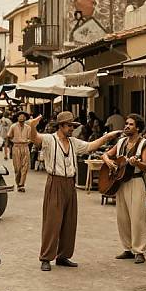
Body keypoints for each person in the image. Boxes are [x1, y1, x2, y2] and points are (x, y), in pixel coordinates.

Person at [30, 111, 121, 271]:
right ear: (61, 126)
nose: (72, 128)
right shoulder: (50, 140)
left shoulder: (73, 142)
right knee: (53, 221)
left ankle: (63, 256)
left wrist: (107, 137)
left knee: (69, 221)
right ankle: (46, 257)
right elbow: (35, 138)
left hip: (70, 183)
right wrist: (32, 127)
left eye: (73, 126)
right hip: (55, 182)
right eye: (69, 126)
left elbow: (90, 146)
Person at [102, 114, 146, 264]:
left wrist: (136, 163)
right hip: (120, 182)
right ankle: (127, 248)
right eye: (126, 124)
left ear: (137, 127)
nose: (126, 126)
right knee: (122, 217)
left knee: (137, 217)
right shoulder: (122, 141)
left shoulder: (144, 143)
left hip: (135, 182)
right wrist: (109, 162)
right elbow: (105, 154)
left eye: (130, 124)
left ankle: (140, 250)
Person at [7, 111, 31, 192]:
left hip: (25, 147)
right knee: (17, 167)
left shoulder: (28, 127)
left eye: (23, 116)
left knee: (25, 166)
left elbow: (30, 138)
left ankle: (22, 184)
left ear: (25, 118)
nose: (22, 118)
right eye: (20, 116)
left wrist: (27, 141)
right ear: (17, 118)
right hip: (16, 147)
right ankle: (18, 183)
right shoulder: (13, 126)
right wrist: (12, 143)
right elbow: (9, 136)